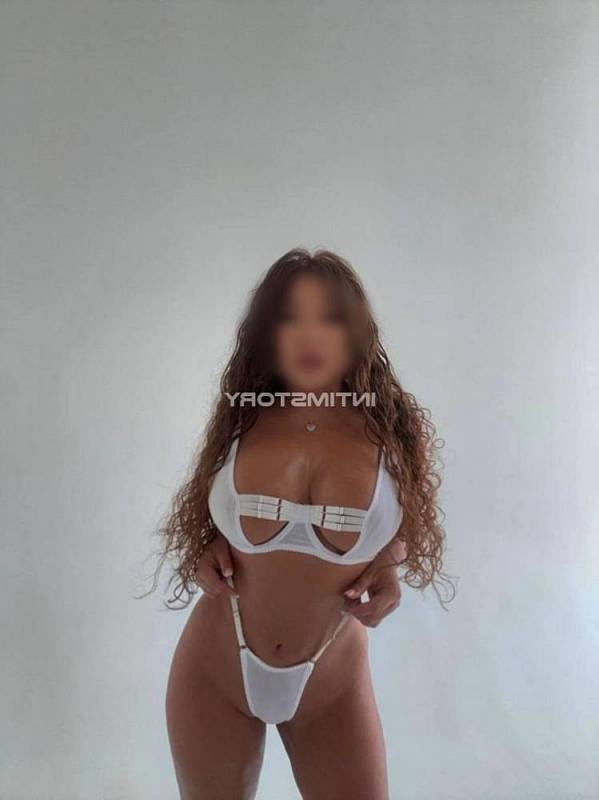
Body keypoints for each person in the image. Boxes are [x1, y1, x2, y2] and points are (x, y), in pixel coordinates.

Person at [157, 249, 447, 799]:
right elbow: (209, 513)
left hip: (330, 681)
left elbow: (408, 523)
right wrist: (205, 551)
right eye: (292, 318)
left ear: (354, 330)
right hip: (216, 667)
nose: (310, 336)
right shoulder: (242, 417)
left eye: (328, 318)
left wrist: (389, 566)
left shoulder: (389, 429)